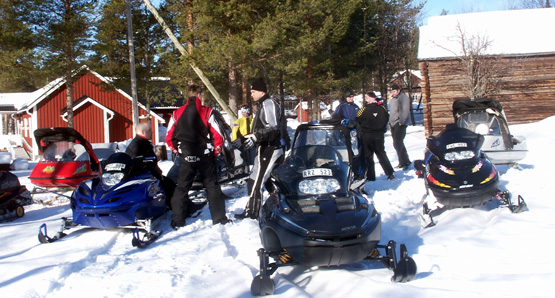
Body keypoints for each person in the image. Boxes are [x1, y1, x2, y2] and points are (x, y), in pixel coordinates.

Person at [165, 84, 229, 228]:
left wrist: (177, 150)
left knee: (181, 187)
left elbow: (169, 137)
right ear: (199, 95)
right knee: (212, 186)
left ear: (188, 96)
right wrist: (215, 151)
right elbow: (218, 135)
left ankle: (178, 220)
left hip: (186, 156)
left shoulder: (177, 113)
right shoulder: (208, 112)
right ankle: (219, 219)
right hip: (205, 155)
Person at [235, 77, 286, 220]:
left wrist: (257, 136)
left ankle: (252, 213)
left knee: (257, 181)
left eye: (253, 91)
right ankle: (281, 204)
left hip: (270, 149)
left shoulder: (269, 103)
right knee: (260, 180)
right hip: (264, 148)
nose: (251, 94)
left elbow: (273, 128)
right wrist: (248, 138)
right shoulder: (263, 104)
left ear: (261, 92)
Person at [126, 122, 176, 207]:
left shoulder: (142, 142)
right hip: (144, 177)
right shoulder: (137, 145)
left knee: (170, 184)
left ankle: (172, 206)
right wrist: (154, 173)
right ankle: (178, 208)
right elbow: (137, 164)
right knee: (169, 185)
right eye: (149, 130)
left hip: (150, 175)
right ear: (143, 132)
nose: (152, 132)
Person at [356, 92, 395, 181]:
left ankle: (371, 176)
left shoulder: (363, 109)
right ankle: (390, 172)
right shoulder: (382, 108)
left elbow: (357, 120)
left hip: (367, 135)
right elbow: (386, 118)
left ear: (370, 99)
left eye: (367, 98)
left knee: (368, 156)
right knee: (381, 154)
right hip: (379, 135)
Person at [389, 84, 411, 170]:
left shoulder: (403, 97)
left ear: (398, 90)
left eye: (394, 91)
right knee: (397, 143)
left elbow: (405, 110)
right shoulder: (394, 99)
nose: (392, 93)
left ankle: (404, 162)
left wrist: (402, 121)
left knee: (398, 143)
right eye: (392, 91)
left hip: (400, 123)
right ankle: (404, 161)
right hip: (393, 123)